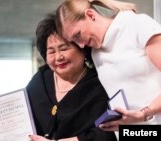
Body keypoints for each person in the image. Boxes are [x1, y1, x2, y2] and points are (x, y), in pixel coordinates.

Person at [56, 0, 161, 132]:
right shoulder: (96, 54)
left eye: (78, 35)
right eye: (74, 41)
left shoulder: (137, 24)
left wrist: (145, 114)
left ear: (91, 15)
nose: (81, 45)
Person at [26, 13, 116, 141]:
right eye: (51, 51)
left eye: (64, 49)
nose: (58, 57)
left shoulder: (99, 84)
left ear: (82, 48)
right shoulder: (41, 78)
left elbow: (109, 133)